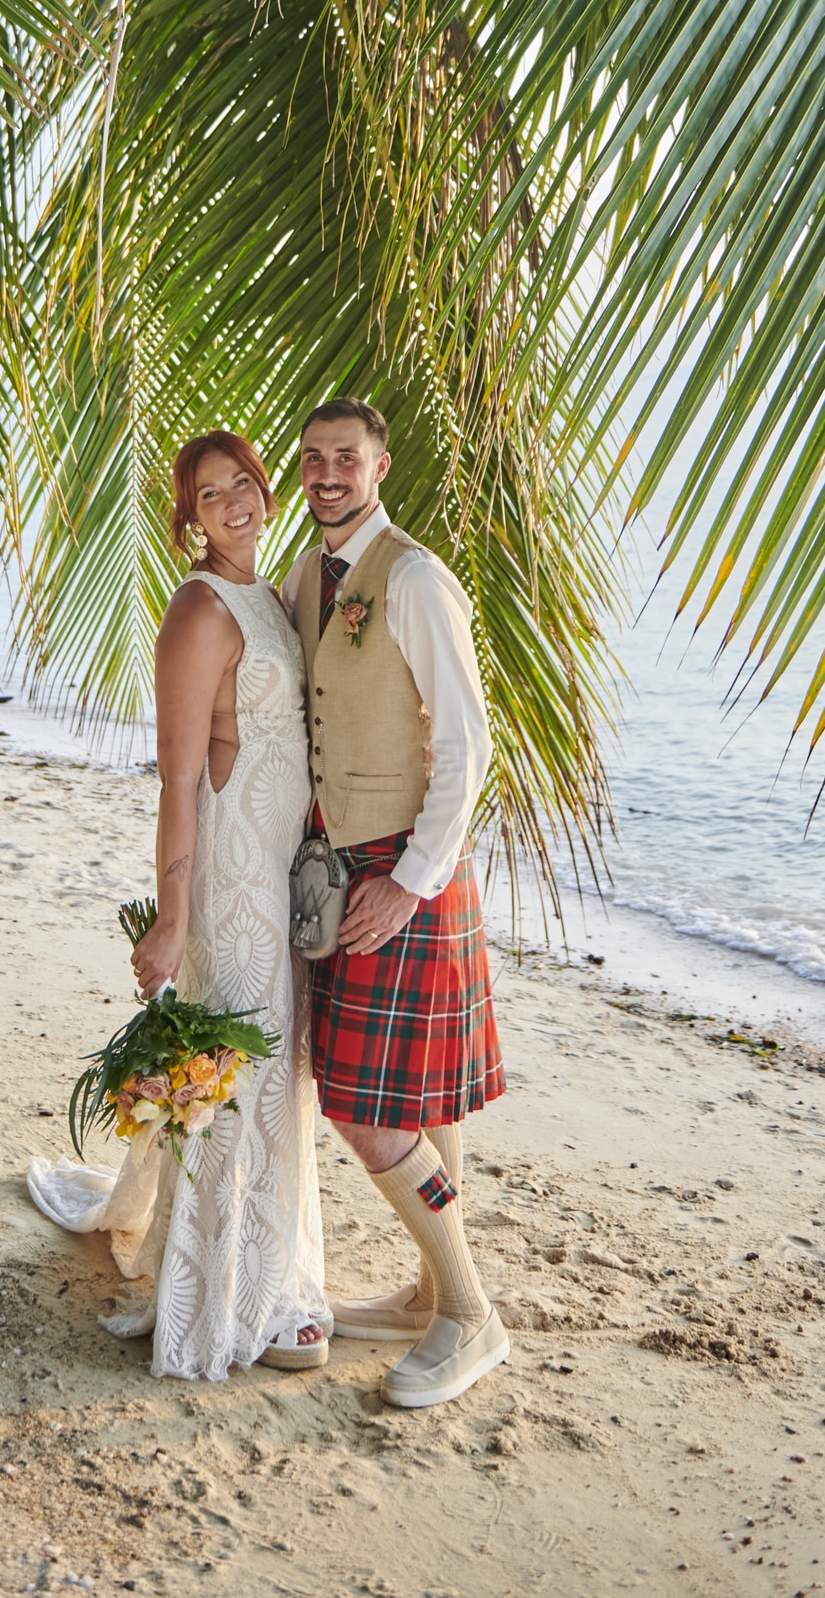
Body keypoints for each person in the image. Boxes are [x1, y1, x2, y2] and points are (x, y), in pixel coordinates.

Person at [28, 431, 329, 1380]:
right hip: (233, 867)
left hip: (282, 863)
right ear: (186, 518)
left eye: (243, 482)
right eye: (210, 494)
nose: (233, 501)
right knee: (244, 1074)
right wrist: (171, 915)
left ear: (264, 488)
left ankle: (269, 1267)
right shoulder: (198, 610)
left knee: (278, 1068)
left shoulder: (273, 592)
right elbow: (177, 780)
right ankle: (227, 1293)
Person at [280, 397, 507, 1410]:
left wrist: (410, 882)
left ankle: (468, 1308)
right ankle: (423, 1294)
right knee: (415, 1095)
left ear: (381, 464)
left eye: (347, 459)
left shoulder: (413, 577)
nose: (329, 474)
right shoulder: (308, 572)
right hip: (344, 858)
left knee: (365, 1110)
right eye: (314, 458)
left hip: (401, 871)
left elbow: (468, 747)